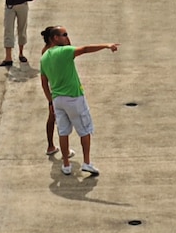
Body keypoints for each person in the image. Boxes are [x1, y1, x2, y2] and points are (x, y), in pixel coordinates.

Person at [38, 25, 118, 177]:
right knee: (85, 130)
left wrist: (50, 101)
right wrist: (107, 45)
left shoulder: (44, 57)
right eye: (64, 34)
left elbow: (44, 82)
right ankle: (87, 163)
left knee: (63, 132)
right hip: (74, 98)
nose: (67, 37)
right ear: (55, 38)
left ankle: (66, 165)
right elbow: (86, 49)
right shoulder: (65, 51)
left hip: (57, 100)